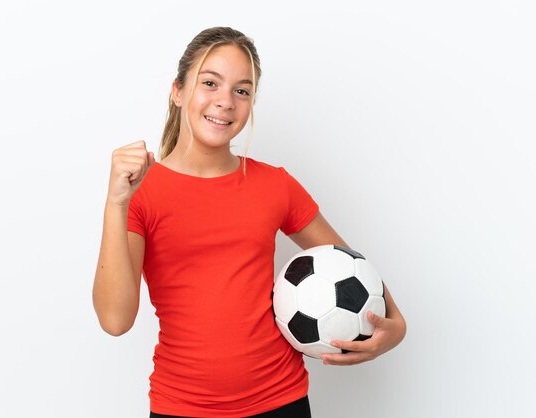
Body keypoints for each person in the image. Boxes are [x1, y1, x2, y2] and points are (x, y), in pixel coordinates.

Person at [92, 26, 407, 418]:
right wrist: (115, 202)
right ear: (177, 90)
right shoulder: (140, 191)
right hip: (183, 407)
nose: (225, 101)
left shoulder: (274, 184)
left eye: (241, 91)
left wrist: (396, 325)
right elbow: (115, 320)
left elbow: (348, 264)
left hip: (281, 401)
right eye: (210, 83)